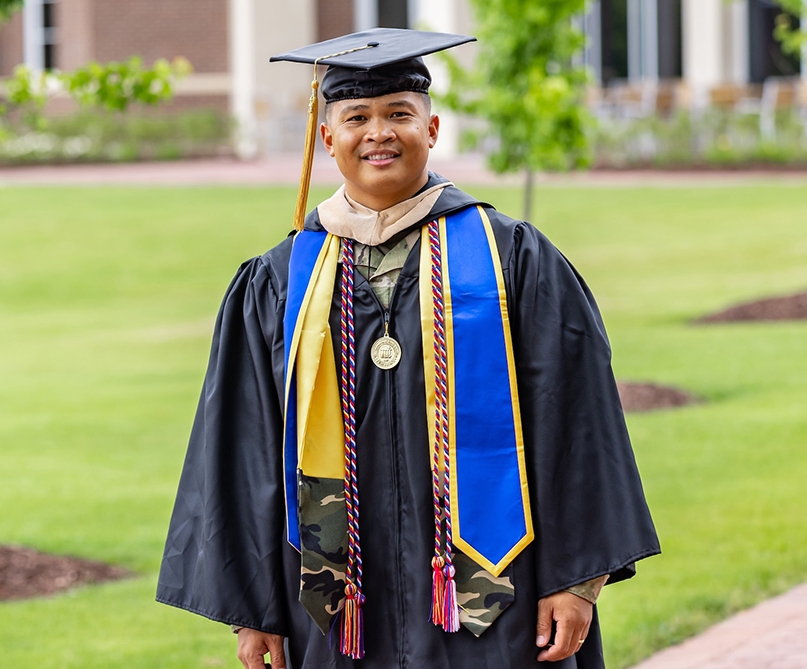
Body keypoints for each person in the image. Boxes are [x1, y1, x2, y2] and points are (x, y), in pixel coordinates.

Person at [156, 28, 659, 669]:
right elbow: (241, 448)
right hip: (335, 611)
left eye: (399, 114)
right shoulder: (280, 282)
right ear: (326, 137)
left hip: (494, 599)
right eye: (357, 117)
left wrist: (576, 580)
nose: (379, 133)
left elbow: (578, 420)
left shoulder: (514, 259)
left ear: (434, 128)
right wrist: (254, 613)